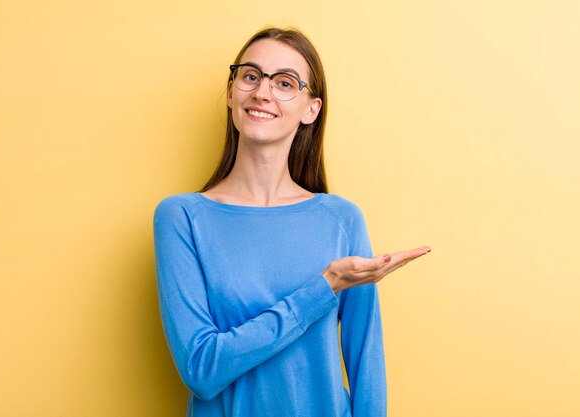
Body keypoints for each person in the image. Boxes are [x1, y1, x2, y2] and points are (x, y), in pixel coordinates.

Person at [153, 26, 431, 417]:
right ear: (232, 90)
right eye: (251, 75)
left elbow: (366, 365)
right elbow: (202, 369)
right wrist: (324, 286)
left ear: (310, 109)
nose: (262, 92)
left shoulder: (341, 219)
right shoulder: (182, 217)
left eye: (285, 83)